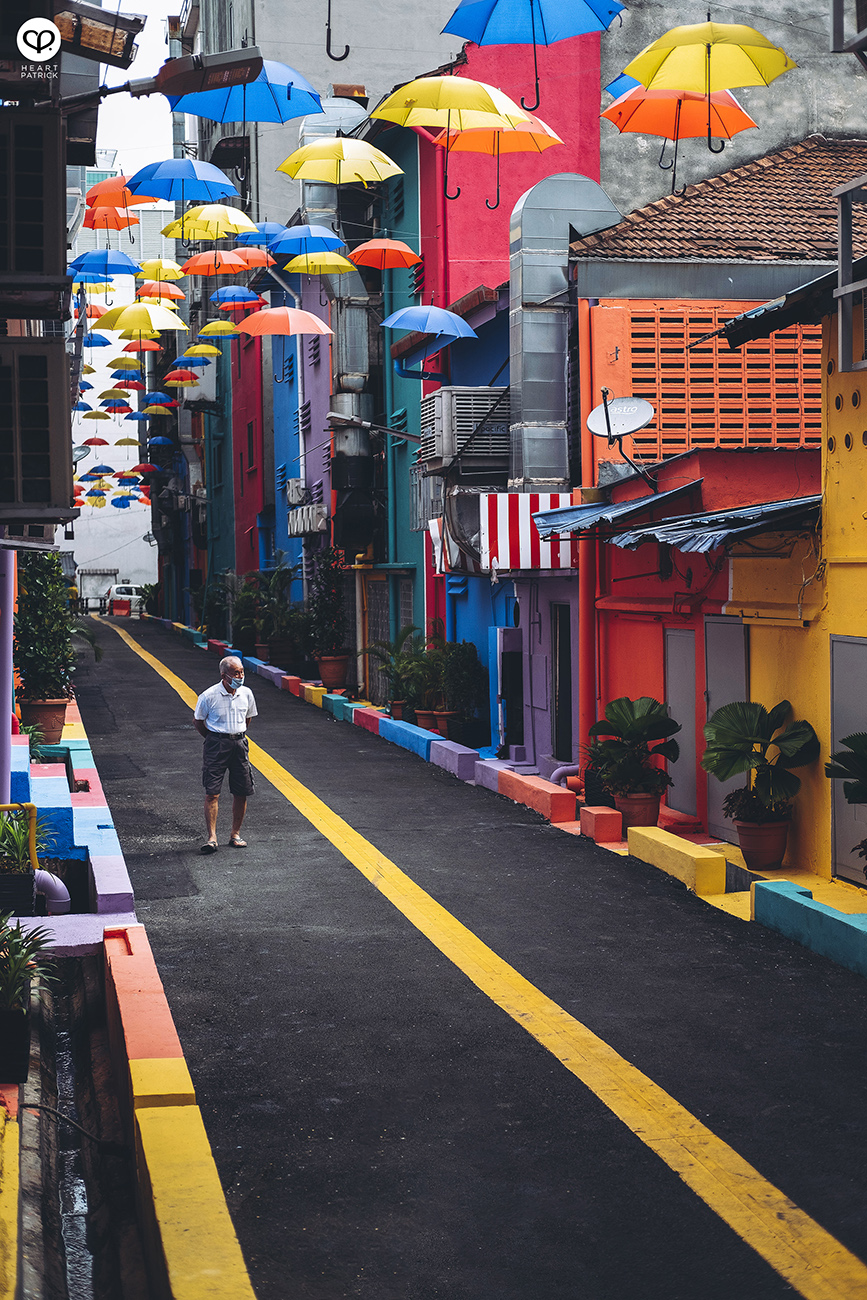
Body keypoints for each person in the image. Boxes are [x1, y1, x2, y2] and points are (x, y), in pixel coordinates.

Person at [193, 655, 258, 854]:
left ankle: (235, 834)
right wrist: (215, 738)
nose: (240, 676)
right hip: (216, 744)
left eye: (242, 672)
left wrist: (235, 736)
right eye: (236, 673)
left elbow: (248, 719)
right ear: (224, 675)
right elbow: (198, 721)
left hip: (239, 743)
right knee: (212, 792)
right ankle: (212, 838)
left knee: (241, 791)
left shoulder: (246, 693)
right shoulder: (208, 695)